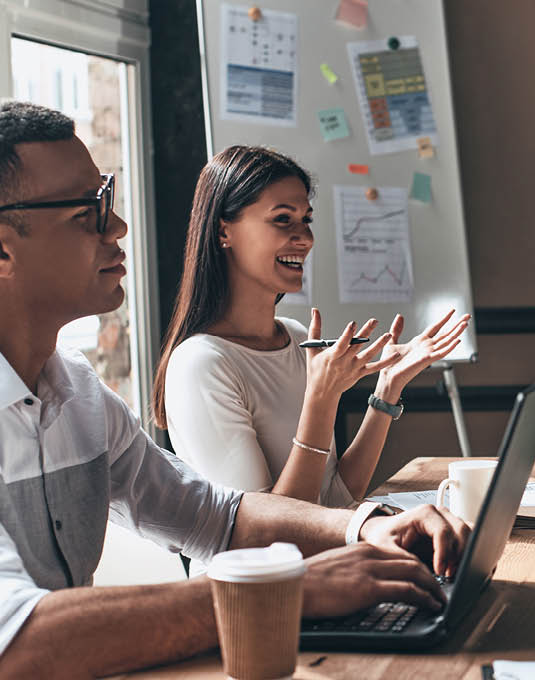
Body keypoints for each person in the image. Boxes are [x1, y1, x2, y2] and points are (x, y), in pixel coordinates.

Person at [0, 101, 469, 677]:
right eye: (87, 212)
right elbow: (15, 642)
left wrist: (368, 526)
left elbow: (218, 517)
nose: (118, 227)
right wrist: (287, 588)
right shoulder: (199, 361)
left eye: (110, 198)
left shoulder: (78, 393)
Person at [152, 145, 468, 507]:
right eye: (283, 219)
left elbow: (333, 497)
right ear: (225, 231)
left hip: (328, 559)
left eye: (307, 219)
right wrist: (321, 399)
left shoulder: (299, 338)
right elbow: (267, 532)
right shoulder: (201, 364)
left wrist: (388, 388)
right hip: (274, 564)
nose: (305, 237)